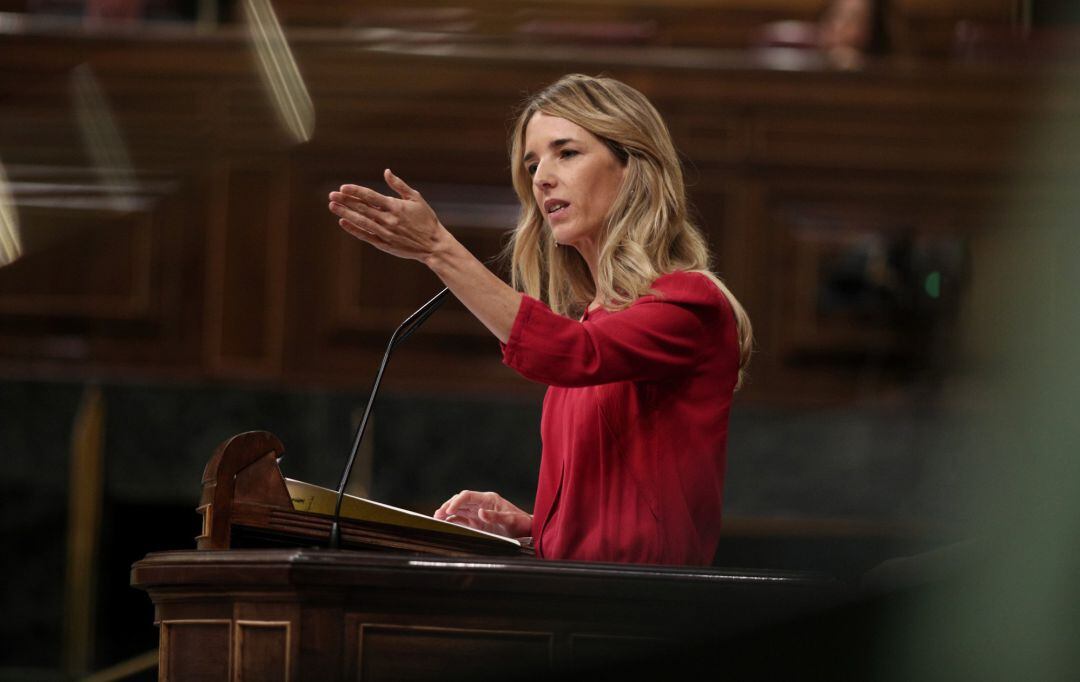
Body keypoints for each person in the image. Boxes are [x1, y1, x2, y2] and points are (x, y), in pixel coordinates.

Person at [327, 74, 752, 566]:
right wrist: (538, 525)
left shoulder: (688, 304)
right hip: (579, 599)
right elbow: (625, 500)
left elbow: (572, 355)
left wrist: (438, 249)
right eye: (533, 164)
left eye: (566, 153)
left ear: (632, 167)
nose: (542, 177)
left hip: (642, 611)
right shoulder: (595, 319)